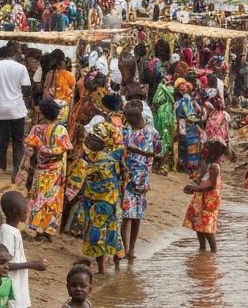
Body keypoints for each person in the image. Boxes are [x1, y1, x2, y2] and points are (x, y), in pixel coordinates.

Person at [17, 98, 72, 241]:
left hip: (40, 170)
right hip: (56, 172)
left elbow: (29, 149)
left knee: (38, 198)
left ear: (43, 113)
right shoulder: (61, 130)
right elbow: (65, 148)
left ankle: (37, 228)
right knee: (53, 200)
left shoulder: (37, 129)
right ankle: (49, 230)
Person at [79, 122, 125, 274]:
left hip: (95, 202)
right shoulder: (115, 157)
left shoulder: (90, 157)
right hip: (111, 201)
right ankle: (116, 267)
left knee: (98, 234)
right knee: (113, 233)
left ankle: (102, 269)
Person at [121, 101, 162, 261]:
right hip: (130, 178)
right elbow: (159, 152)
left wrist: (140, 153)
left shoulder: (148, 132)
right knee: (128, 215)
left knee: (134, 215)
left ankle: (129, 249)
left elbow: (158, 152)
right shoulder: (129, 131)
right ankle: (127, 249)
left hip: (139, 180)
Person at [0, 45, 31, 174]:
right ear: (13, 55)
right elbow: (27, 90)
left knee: (3, 138)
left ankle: (2, 166)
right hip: (17, 109)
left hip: (1, 109)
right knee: (18, 140)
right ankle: (16, 170)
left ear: (0, 55)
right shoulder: (21, 67)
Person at [183, 140, 226, 251]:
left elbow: (212, 185)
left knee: (207, 228)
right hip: (203, 196)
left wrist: (196, 189)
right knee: (199, 225)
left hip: (209, 199)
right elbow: (205, 181)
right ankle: (203, 250)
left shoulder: (214, 167)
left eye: (208, 148)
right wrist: (195, 185)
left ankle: (212, 252)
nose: (205, 150)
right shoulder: (209, 164)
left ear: (213, 151)